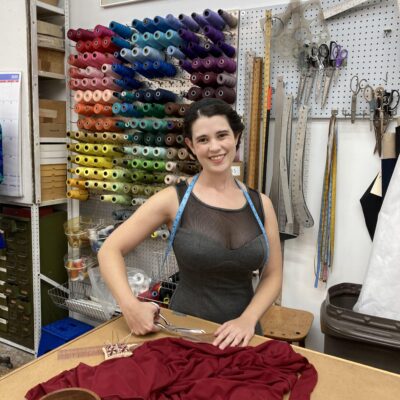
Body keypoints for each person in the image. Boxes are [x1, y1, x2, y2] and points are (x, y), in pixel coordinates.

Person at [98, 98, 282, 350]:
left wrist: (248, 320)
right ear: (191, 146)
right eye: (203, 140)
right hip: (183, 335)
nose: (215, 147)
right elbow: (110, 250)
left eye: (222, 135)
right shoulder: (173, 200)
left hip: (244, 336)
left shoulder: (262, 205)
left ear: (236, 136)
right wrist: (130, 306)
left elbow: (272, 275)